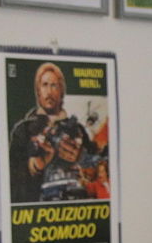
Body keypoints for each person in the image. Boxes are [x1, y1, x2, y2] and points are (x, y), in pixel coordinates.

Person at [8, 63, 91, 204]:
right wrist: (35, 165)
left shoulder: (79, 130)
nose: (49, 92)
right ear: (38, 91)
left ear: (61, 91)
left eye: (54, 85)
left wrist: (81, 158)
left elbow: (98, 169)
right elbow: (11, 178)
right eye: (44, 85)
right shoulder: (22, 130)